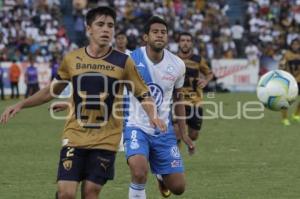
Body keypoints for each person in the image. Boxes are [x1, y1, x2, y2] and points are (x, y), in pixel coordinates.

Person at [0, 7, 165, 199]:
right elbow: (51, 91)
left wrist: (153, 116)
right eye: (100, 25)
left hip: (106, 139)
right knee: (66, 193)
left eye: (110, 26)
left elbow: (143, 93)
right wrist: (20, 104)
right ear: (89, 29)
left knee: (90, 192)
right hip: (75, 135)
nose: (106, 30)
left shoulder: (124, 62)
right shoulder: (72, 59)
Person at [123, 16, 194, 199]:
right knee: (139, 172)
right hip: (135, 125)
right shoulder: (130, 59)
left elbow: (178, 100)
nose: (160, 35)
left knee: (178, 188)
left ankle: (161, 175)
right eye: (155, 32)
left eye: (163, 32)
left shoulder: (177, 64)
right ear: (146, 37)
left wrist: (184, 133)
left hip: (163, 131)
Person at [176, 32, 213, 149]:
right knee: (175, 132)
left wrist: (205, 81)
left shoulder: (198, 60)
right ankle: (174, 159)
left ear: (191, 43)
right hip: (177, 101)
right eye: (183, 40)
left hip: (195, 102)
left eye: (188, 40)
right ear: (179, 43)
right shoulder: (172, 59)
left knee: (194, 135)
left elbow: (209, 73)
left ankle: (188, 140)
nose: (185, 43)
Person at [279, 38, 300, 126]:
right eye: (293, 44)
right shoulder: (287, 54)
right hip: (289, 80)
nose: (295, 46)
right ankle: (284, 119)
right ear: (291, 45)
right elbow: (281, 64)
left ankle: (296, 115)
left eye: (297, 44)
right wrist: (282, 65)